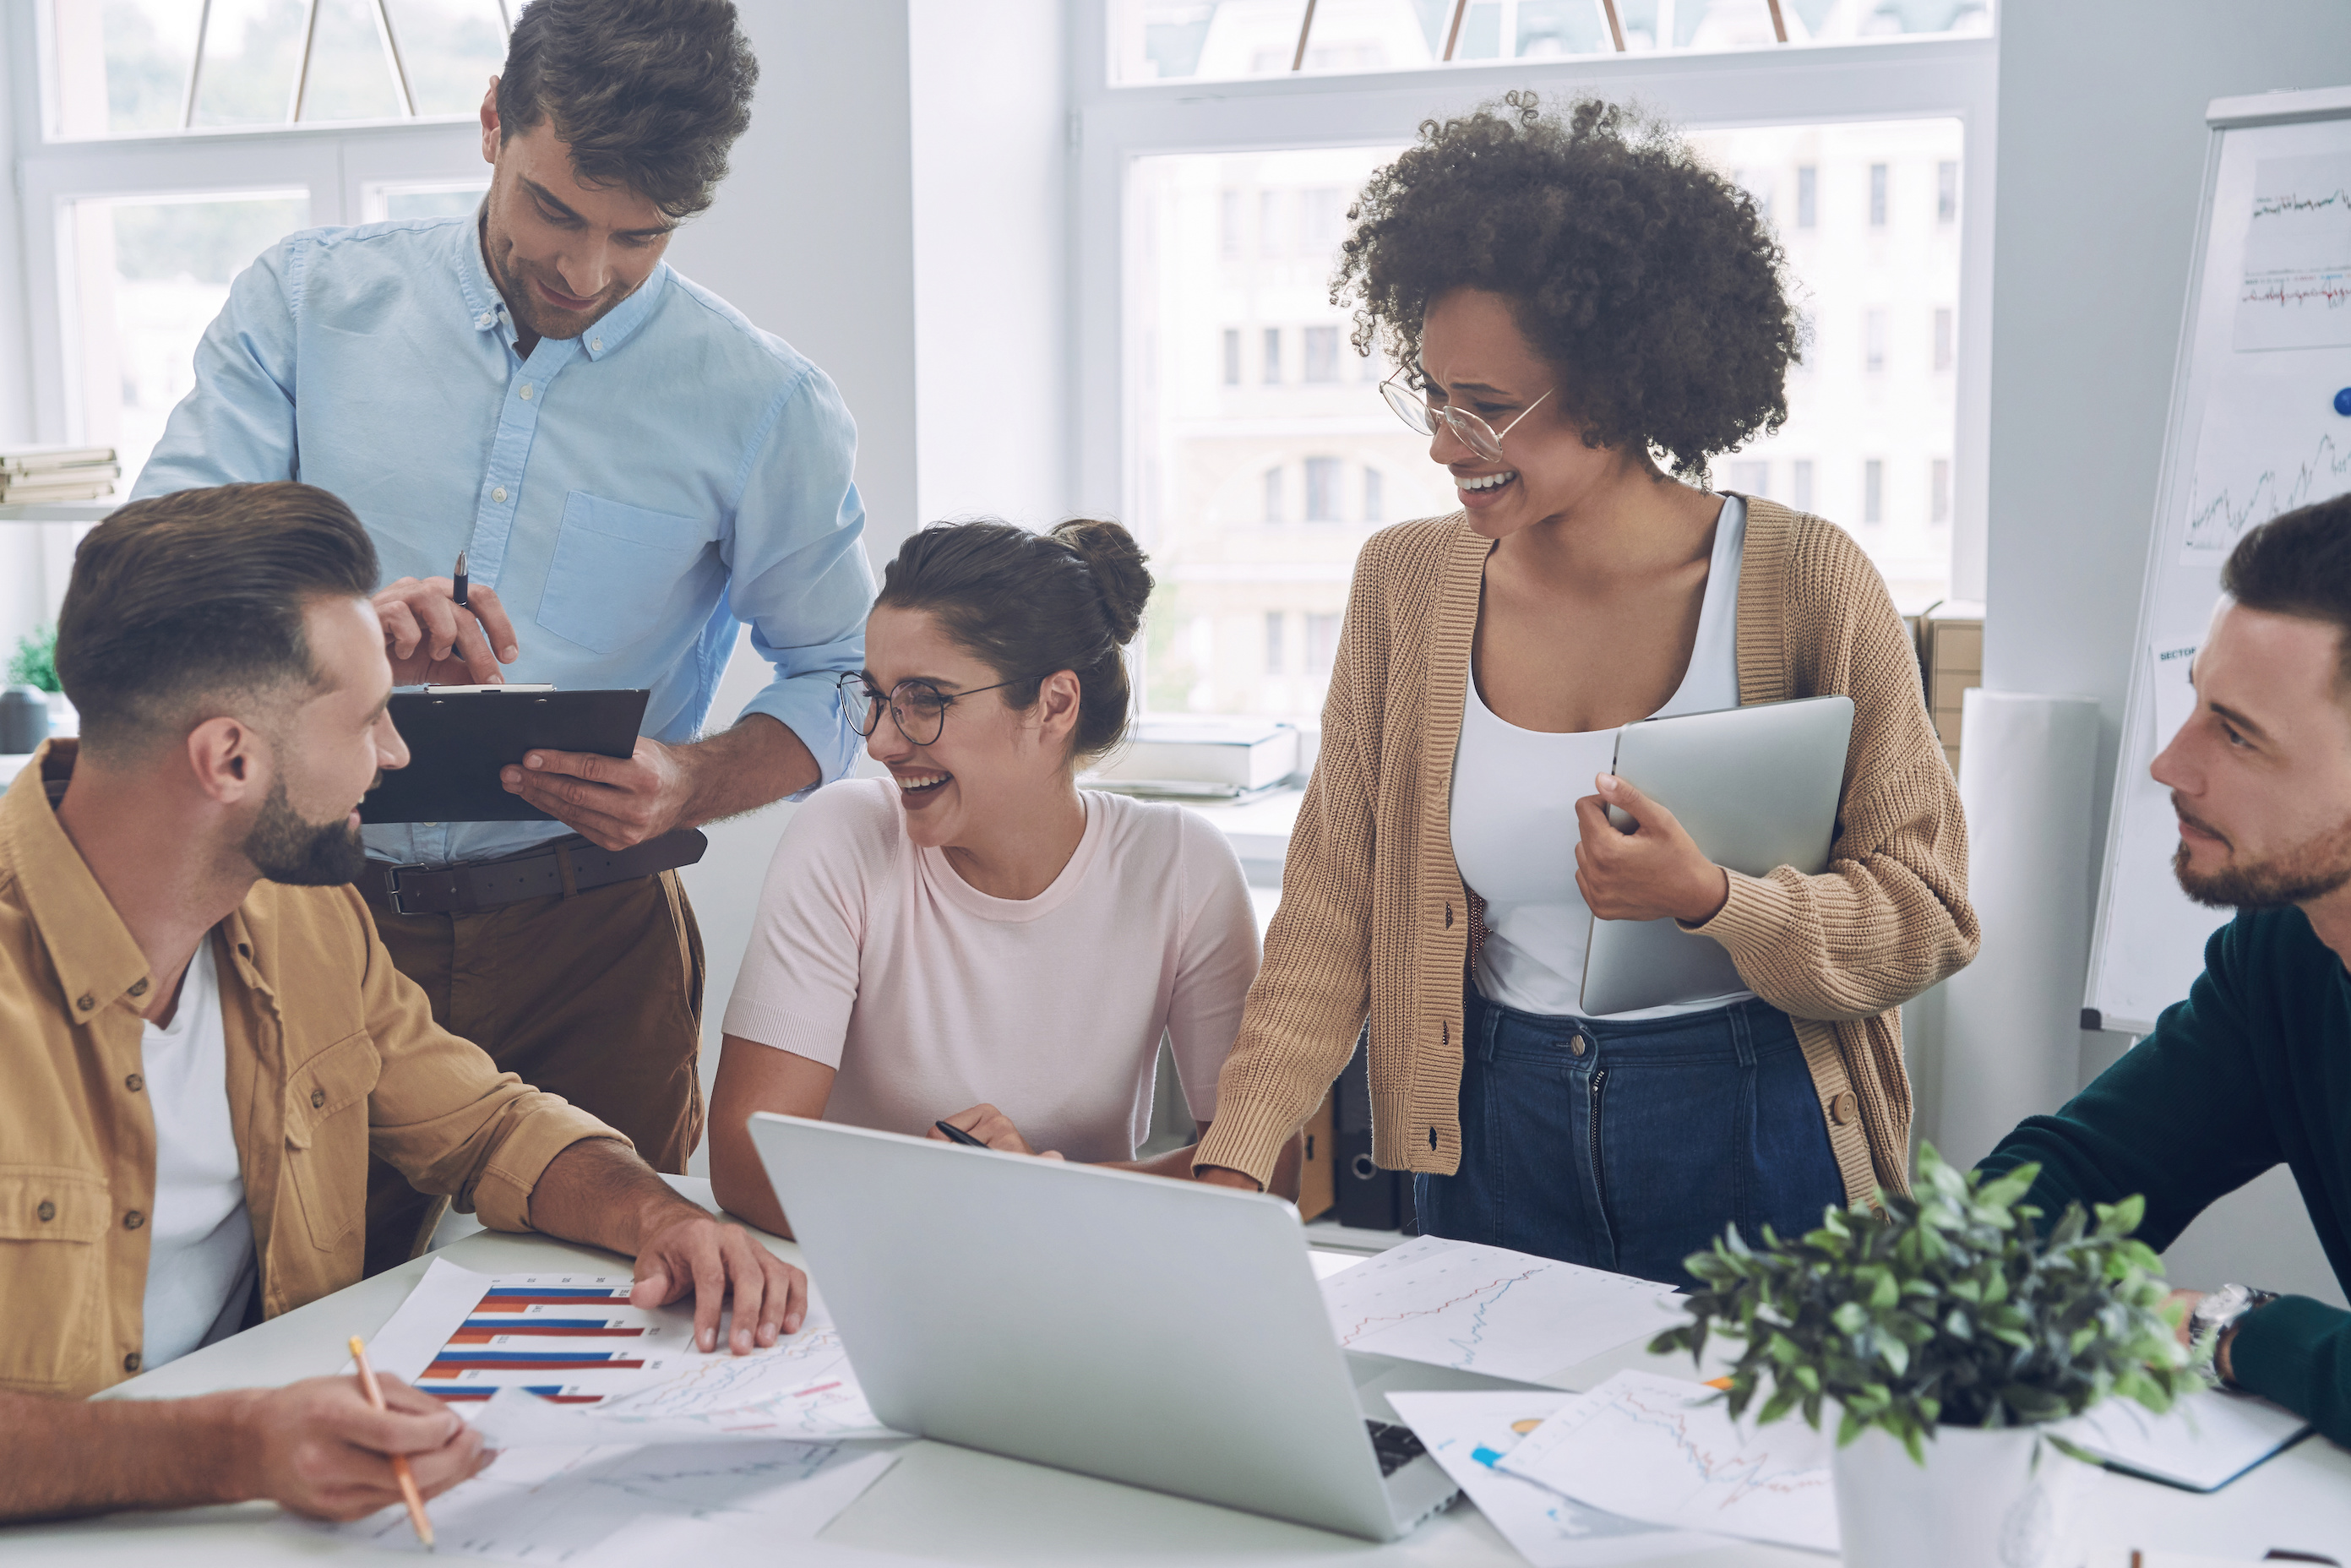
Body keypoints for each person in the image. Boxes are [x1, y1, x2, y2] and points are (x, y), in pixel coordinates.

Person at [132, 0, 875, 1277]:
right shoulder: (307, 304)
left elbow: (844, 673)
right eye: (554, 209)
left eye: (637, 237)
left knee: (630, 1305)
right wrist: (336, 635)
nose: (585, 271)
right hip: (311, 916)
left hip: (591, 941)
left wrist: (691, 780)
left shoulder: (764, 404)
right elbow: (151, 581)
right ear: (491, 124)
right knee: (309, 1301)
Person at [1191, 94, 1978, 1287]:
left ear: (1618, 384)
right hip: (1486, 1127)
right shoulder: (1404, 585)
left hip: (1749, 1123)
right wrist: (1229, 1173)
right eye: (1429, 394)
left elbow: (1926, 914)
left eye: (1490, 408)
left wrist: (1714, 899)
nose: (1445, 442)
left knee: (1741, 1470)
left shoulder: (1804, 579)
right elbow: (1327, 917)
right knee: (1478, 1463)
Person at [0, 483, 804, 1524]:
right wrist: (233, 1443)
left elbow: (485, 1123)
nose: (395, 754)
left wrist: (658, 1213)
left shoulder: (305, 913)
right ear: (230, 759)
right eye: (372, 716)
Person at [706, 520, 1281, 1237]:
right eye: (877, 695)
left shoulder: (1179, 865)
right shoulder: (844, 836)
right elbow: (744, 1158)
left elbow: (1263, 1168)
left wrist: (1035, 1191)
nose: (880, 740)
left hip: (1086, 1287)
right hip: (866, 1283)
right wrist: (970, 1198)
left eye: (925, 699)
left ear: (1055, 705)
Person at [1979, 497, 2351, 1446]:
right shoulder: (2282, 952)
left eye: (2234, 733)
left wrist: (2231, 1330)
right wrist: (1910, 1278)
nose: (2165, 763)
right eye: (2193, 701)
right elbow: (2083, 1171)